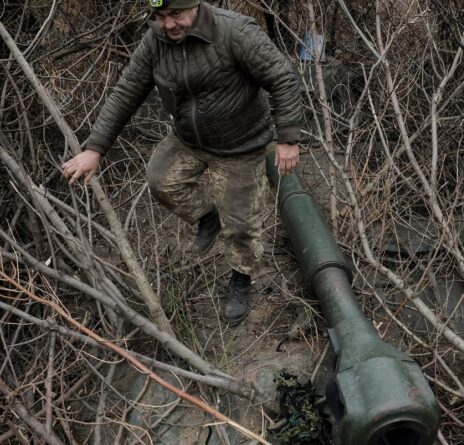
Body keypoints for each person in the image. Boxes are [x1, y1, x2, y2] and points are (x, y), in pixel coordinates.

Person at [62, 0, 302, 324]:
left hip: (239, 145)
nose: (169, 25)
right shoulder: (156, 41)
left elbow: (282, 78)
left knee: (242, 227)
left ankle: (241, 280)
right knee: (161, 181)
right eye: (160, 17)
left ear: (195, 6)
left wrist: (287, 139)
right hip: (189, 139)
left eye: (176, 14)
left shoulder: (234, 31)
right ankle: (208, 215)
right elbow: (127, 90)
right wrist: (95, 148)